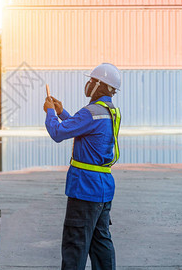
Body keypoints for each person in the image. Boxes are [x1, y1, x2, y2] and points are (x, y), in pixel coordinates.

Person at [43, 63, 122, 270]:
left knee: (75, 245)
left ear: (99, 85)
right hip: (103, 189)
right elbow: (84, 129)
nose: (87, 85)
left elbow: (58, 133)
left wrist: (50, 113)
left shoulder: (90, 112)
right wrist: (62, 112)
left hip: (85, 190)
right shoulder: (109, 111)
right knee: (101, 244)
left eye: (91, 81)